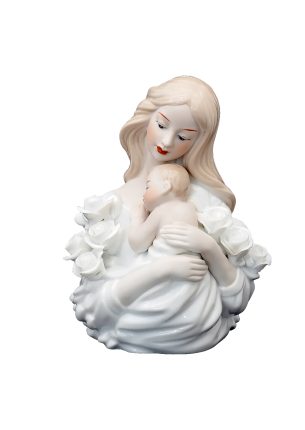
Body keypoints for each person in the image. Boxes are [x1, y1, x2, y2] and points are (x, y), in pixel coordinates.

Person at [68, 76, 270, 353]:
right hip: (137, 325)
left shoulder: (206, 204)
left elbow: (236, 299)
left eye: (184, 136)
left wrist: (209, 248)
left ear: (199, 142)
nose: (166, 141)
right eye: (162, 125)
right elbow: (93, 308)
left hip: (197, 324)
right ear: (146, 120)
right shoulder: (109, 209)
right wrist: (160, 271)